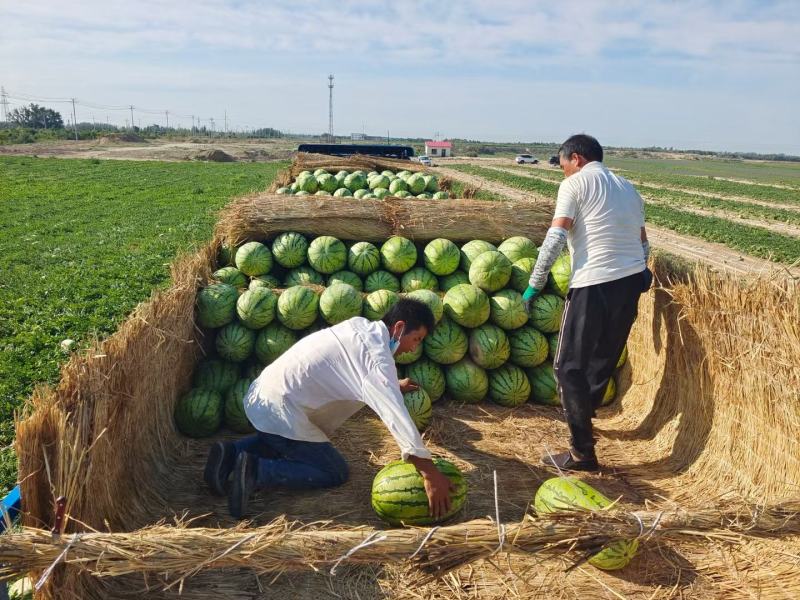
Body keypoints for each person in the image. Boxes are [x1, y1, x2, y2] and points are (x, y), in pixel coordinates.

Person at [203, 298, 455, 519]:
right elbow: (395, 415)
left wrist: (392, 384)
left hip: (265, 395)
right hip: (282, 409)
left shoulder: (359, 327)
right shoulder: (376, 359)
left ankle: (231, 452)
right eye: (416, 339)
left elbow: (351, 370)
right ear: (399, 328)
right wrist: (429, 472)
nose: (413, 348)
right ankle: (256, 471)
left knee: (283, 441)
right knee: (333, 471)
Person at [522, 134, 652, 472]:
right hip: (630, 283)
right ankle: (585, 431)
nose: (563, 171)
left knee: (567, 367)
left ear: (576, 158)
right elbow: (643, 243)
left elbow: (555, 236)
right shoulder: (628, 188)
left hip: (594, 283)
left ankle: (582, 453)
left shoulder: (575, 184)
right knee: (600, 363)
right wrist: (641, 272)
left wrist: (534, 284)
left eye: (563, 164)